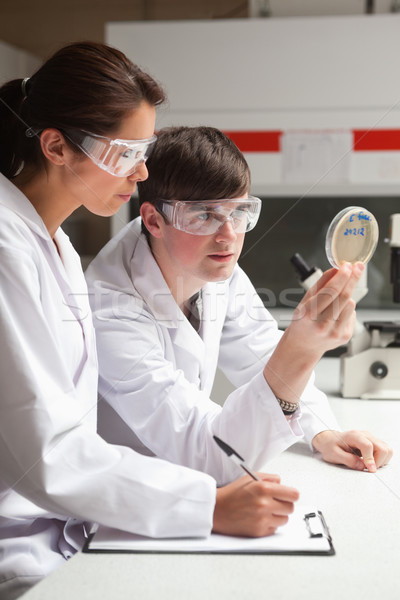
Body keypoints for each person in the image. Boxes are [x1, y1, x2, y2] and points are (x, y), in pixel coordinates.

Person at [0, 45, 300, 600]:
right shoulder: (7, 247)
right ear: (56, 146)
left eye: (146, 151)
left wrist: (320, 427)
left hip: (71, 523)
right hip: (19, 543)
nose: (142, 172)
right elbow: (48, 453)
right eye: (127, 152)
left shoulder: (55, 244)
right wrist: (204, 506)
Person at [86, 125, 393, 485]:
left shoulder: (215, 271)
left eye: (239, 211)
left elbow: (261, 354)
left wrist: (323, 432)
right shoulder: (110, 309)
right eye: (204, 215)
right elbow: (207, 452)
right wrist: (303, 348)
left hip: (184, 483)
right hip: (127, 495)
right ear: (154, 220)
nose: (229, 235)